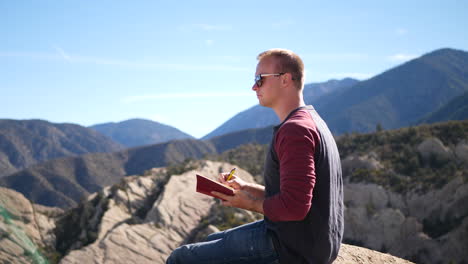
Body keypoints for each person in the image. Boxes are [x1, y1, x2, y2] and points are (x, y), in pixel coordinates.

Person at [166, 49, 344, 264]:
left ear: (285, 80)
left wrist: (249, 203)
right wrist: (247, 188)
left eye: (260, 79)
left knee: (181, 258)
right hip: (309, 239)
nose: (254, 86)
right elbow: (297, 194)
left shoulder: (295, 130)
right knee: (210, 239)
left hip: (293, 248)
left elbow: (295, 206)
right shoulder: (311, 120)